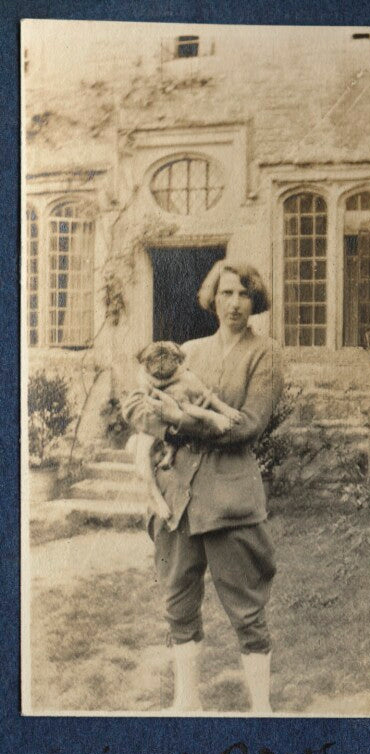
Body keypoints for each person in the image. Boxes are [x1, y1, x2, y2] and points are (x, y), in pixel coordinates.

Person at [122, 260, 284, 714]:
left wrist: (177, 421)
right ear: (212, 298)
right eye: (226, 293)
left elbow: (249, 427)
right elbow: (136, 401)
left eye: (244, 295)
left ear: (256, 302)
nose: (234, 304)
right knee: (177, 601)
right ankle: (185, 703)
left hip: (231, 498)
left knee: (247, 608)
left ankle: (261, 712)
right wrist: (159, 418)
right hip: (177, 499)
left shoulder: (265, 353)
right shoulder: (187, 350)